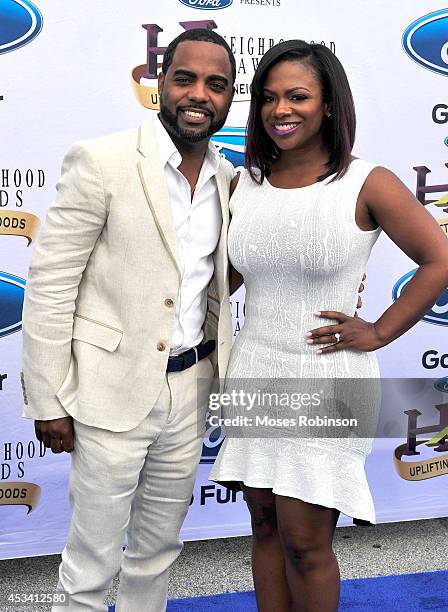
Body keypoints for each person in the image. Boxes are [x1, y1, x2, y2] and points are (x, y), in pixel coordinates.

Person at [209, 39, 448, 612]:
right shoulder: (247, 184)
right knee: (264, 526)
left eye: (297, 96)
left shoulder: (367, 182)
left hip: (327, 375)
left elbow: (438, 258)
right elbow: (232, 277)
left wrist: (380, 330)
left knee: (306, 540)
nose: (280, 110)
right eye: (269, 97)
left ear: (330, 106)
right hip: (257, 367)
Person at [21, 28, 236, 611]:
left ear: (230, 97)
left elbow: (210, 281)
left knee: (157, 551)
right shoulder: (103, 160)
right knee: (92, 559)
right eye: (185, 78)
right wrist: (47, 399)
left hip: (191, 388)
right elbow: (51, 284)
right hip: (107, 391)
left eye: (216, 85)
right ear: (160, 84)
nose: (199, 94)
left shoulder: (227, 179)